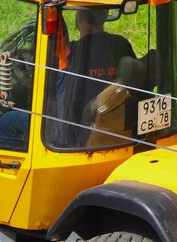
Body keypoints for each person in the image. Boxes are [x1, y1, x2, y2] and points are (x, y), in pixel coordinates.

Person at [55, 8, 135, 147]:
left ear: (80, 18)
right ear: (105, 16)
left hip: (80, 133)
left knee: (8, 122)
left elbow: (55, 90)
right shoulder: (121, 44)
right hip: (122, 125)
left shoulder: (72, 53)